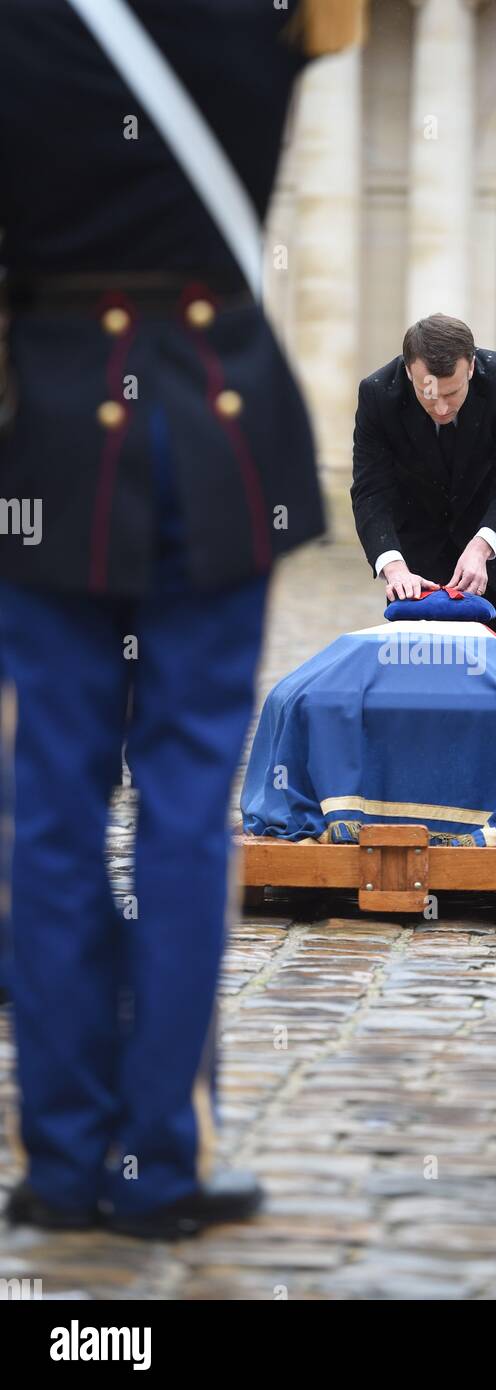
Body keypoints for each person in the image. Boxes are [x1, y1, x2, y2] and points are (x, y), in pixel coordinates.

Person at [0, 0, 365, 1238]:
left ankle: (60, 1154)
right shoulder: (271, 18)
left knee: (49, 804)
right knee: (183, 810)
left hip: (46, 431)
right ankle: (163, 1156)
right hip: (215, 429)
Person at [351, 314, 496, 652]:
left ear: (470, 368)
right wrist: (392, 566)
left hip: (492, 548)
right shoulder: (377, 394)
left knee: (488, 678)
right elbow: (370, 491)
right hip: (417, 558)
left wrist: (482, 547)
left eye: (452, 393)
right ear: (408, 372)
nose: (440, 407)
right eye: (428, 394)